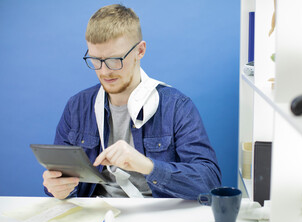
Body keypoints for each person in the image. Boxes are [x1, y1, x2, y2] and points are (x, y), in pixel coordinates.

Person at [42, 4, 221, 200]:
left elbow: (209, 182)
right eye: (95, 59)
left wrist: (146, 165)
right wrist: (57, 188)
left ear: (140, 51)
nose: (104, 71)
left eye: (114, 60)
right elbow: (60, 181)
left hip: (157, 216)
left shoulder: (177, 107)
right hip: (98, 215)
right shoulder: (76, 107)